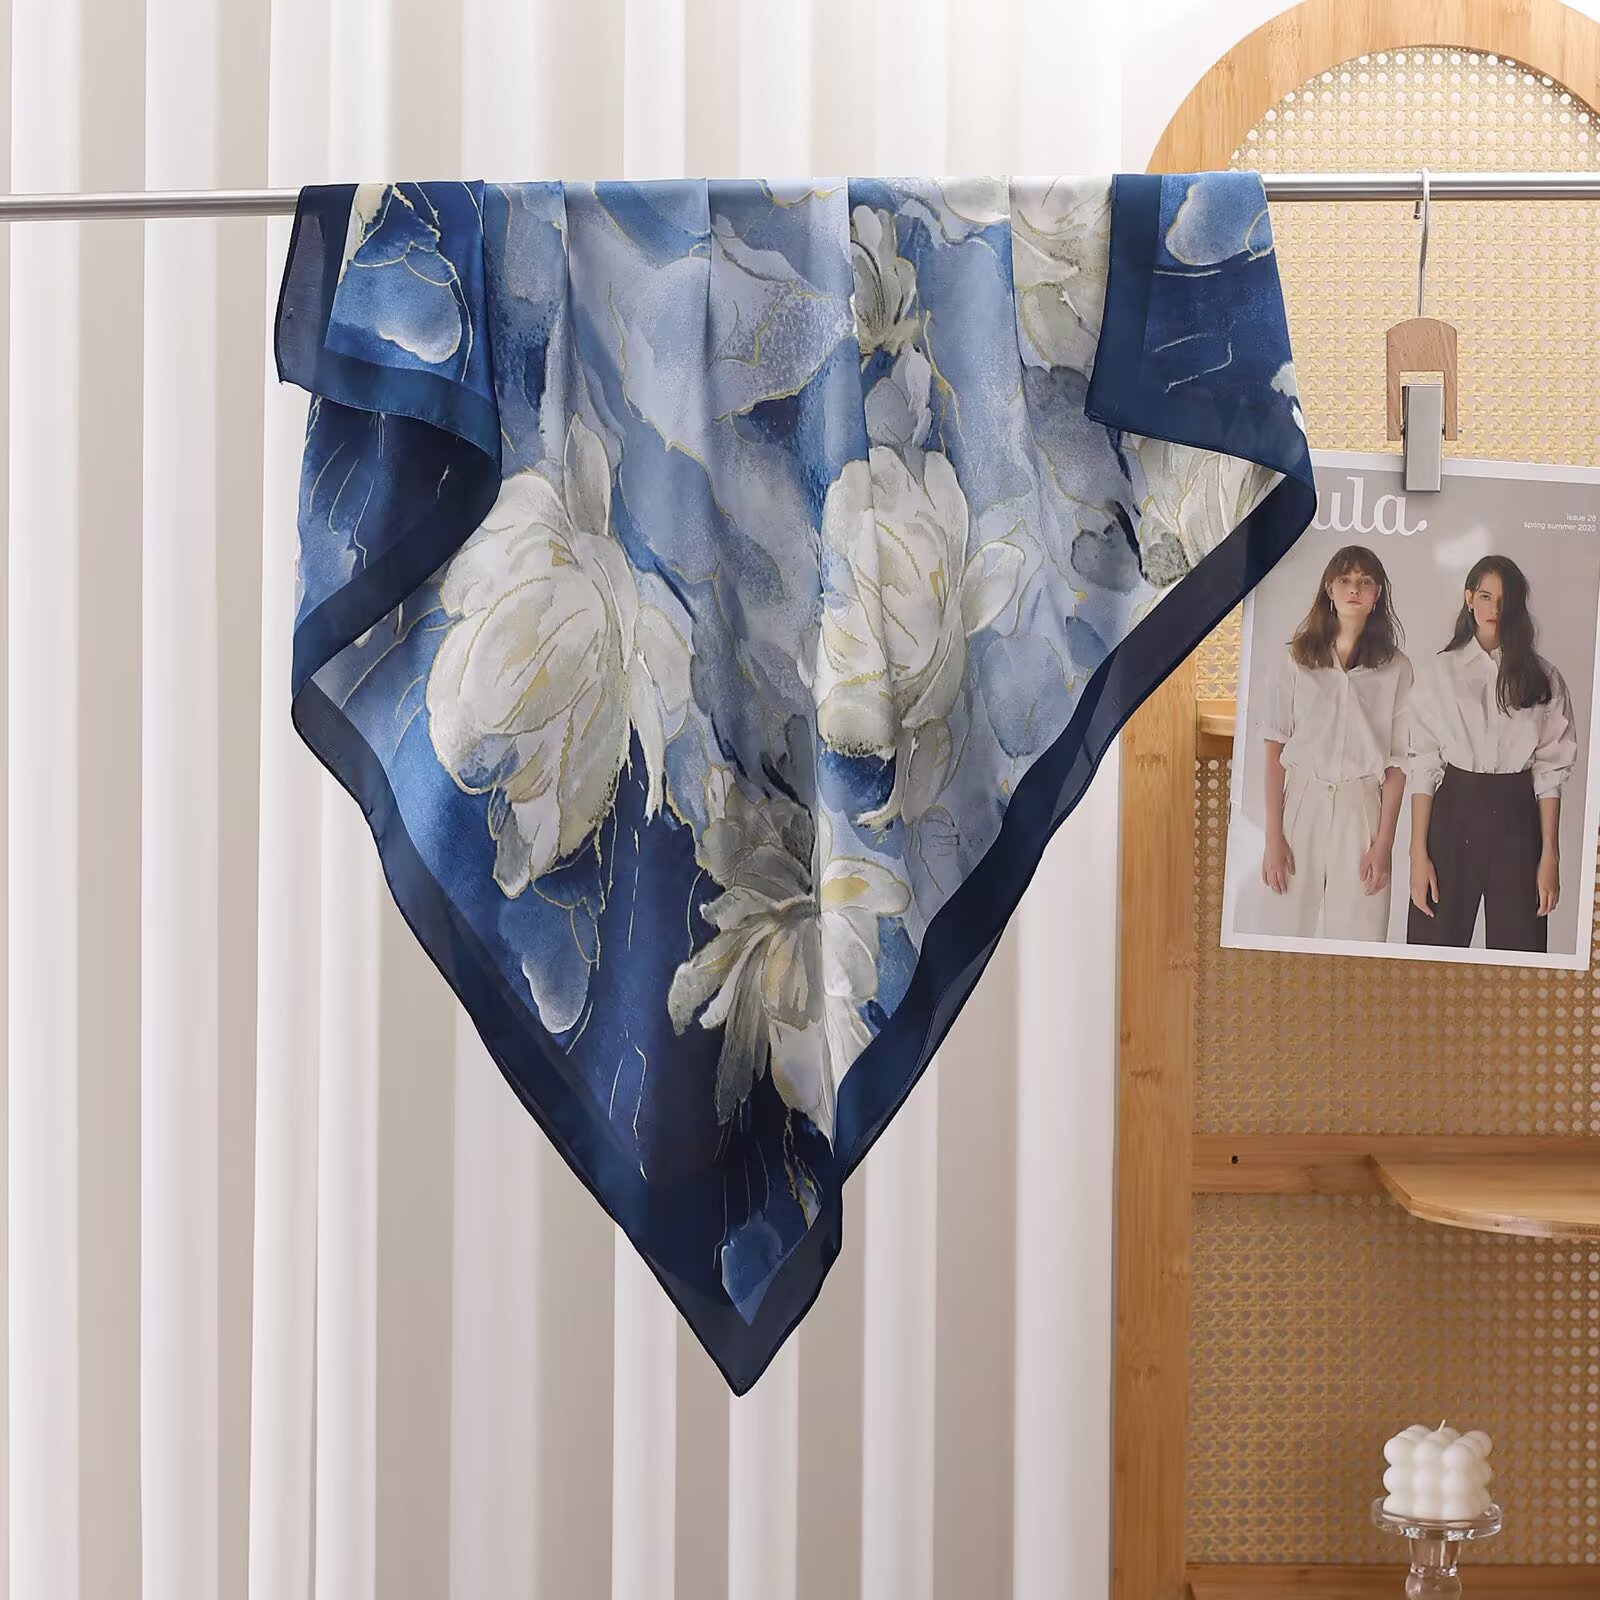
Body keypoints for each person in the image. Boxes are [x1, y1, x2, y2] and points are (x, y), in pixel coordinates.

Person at [1407, 554, 1578, 952]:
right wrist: (1417, 854)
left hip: (1518, 821)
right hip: (1452, 818)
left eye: (1504, 600)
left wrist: (1549, 856)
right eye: (1485, 596)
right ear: (1469, 598)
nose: (1494, 609)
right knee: (1433, 953)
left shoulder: (1543, 678)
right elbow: (1423, 764)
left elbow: (1550, 773)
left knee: (1520, 953)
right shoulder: (1439, 674)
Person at [1254, 544, 1412, 941]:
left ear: (1377, 594)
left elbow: (1398, 763)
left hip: (1362, 812)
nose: (1354, 589)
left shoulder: (1396, 669)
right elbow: (1273, 749)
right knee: (1284, 932)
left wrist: (1384, 844)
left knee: (1360, 937)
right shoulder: (1295, 659)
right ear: (1329, 588)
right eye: (1345, 580)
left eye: (1365, 581)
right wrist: (1273, 836)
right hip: (1301, 805)